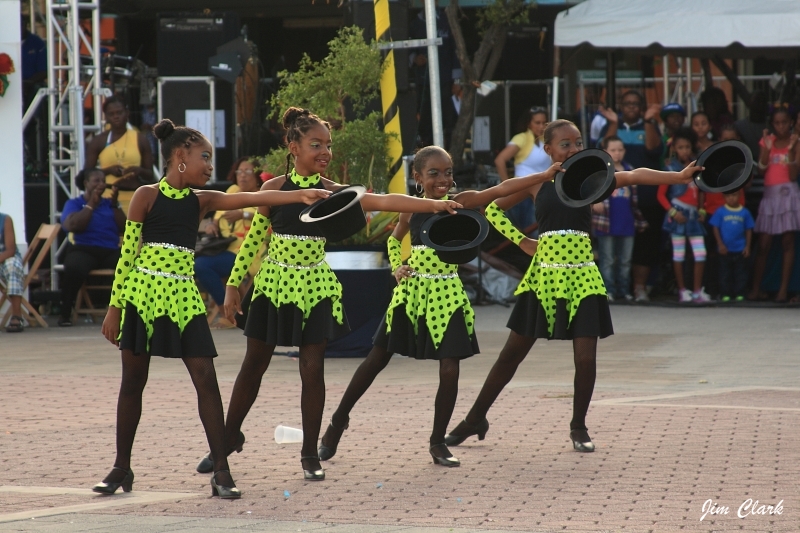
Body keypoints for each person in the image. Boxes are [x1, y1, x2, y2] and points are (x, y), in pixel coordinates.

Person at [194, 108, 461, 482]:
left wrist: (434, 204)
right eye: (315, 144)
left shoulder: (334, 192)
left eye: (328, 145)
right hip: (274, 286)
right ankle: (225, 440)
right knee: (253, 364)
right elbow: (255, 239)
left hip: (315, 287)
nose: (325, 152)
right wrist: (233, 285)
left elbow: (383, 201)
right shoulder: (273, 190)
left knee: (312, 368)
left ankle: (309, 454)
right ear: (293, 146)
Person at [94, 118, 330, 499]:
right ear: (179, 157)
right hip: (141, 298)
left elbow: (250, 200)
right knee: (132, 383)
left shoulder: (202, 200)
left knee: (206, 379)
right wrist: (115, 307)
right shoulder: (145, 196)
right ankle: (122, 467)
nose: (210, 165)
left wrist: (298, 196)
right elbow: (128, 255)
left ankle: (222, 470)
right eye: (204, 157)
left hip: (184, 300)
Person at [444, 119, 703, 453]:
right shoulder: (538, 182)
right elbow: (491, 204)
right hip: (544, 278)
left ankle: (578, 426)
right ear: (547, 148)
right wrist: (520, 240)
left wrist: (678, 176)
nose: (573, 149)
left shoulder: (592, 180)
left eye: (578, 142)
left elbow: (634, 174)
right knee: (511, 355)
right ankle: (475, 418)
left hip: (583, 277)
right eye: (565, 144)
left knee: (586, 356)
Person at [317, 146, 561, 469]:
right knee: (376, 359)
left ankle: (437, 441)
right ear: (417, 178)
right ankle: (337, 421)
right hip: (414, 293)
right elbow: (393, 239)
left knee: (450, 368)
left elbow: (500, 190)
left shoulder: (460, 203)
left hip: (448, 294)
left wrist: (543, 176)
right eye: (434, 174)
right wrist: (396, 267)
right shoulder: (411, 207)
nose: (443, 180)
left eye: (448, 172)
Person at [597, 91, 665, 303]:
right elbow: (602, 148)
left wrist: (648, 121)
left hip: (643, 202)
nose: (631, 107)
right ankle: (610, 289)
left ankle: (636, 288)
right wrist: (613, 123)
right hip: (612, 210)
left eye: (636, 104)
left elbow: (653, 149)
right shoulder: (611, 126)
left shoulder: (648, 125)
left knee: (641, 250)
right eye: (627, 103)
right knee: (609, 255)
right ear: (621, 105)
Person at [195, 157, 264, 322]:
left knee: (202, 266)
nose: (242, 176)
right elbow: (218, 216)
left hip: (247, 252)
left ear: (257, 175)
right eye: (240, 171)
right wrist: (212, 224)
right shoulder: (233, 191)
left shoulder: (263, 195)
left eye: (248, 171)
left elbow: (268, 221)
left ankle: (227, 312)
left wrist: (243, 214)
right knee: (196, 263)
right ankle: (226, 309)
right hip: (224, 247)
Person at [58, 169, 127, 326]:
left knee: (131, 267)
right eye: (96, 180)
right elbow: (72, 225)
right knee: (74, 268)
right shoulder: (74, 203)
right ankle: (65, 314)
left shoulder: (110, 204)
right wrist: (91, 205)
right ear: (86, 183)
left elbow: (125, 227)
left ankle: (130, 313)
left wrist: (115, 204)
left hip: (109, 250)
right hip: (84, 249)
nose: (101, 184)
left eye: (103, 181)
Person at [748, 107, 800, 302]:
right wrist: (767, 149)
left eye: (784, 122)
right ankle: (756, 288)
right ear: (772, 124)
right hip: (770, 196)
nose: (780, 127)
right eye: (776, 123)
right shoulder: (767, 141)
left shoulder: (796, 143)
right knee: (763, 244)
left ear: (791, 123)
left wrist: (792, 149)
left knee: (788, 242)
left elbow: (794, 175)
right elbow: (761, 171)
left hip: (788, 195)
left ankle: (783, 290)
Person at [658, 127, 710, 303]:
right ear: (674, 148)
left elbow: (702, 191)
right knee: (678, 254)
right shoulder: (670, 168)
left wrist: (702, 210)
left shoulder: (696, 167)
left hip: (694, 215)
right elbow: (661, 195)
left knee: (700, 253)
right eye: (680, 147)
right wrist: (672, 212)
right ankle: (682, 290)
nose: (684, 151)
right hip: (678, 214)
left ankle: (696, 291)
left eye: (687, 147)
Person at [592, 136, 647, 301]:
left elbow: (634, 202)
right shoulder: (600, 173)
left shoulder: (629, 170)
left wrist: (640, 221)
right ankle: (608, 291)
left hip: (627, 223)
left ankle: (624, 291)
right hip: (606, 223)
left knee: (625, 261)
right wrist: (595, 202)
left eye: (620, 150)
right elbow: (588, 194)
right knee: (607, 260)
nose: (617, 153)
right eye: (613, 150)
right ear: (605, 152)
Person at [85, 96, 156, 213]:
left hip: (135, 198)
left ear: (127, 113)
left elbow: (150, 174)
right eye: (111, 114)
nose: (116, 116)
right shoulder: (98, 141)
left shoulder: (140, 139)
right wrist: (108, 170)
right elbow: (87, 173)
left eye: (119, 112)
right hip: (107, 197)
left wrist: (139, 170)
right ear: (106, 117)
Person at [494, 107, 550, 234]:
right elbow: (500, 160)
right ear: (529, 123)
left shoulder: (546, 140)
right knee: (532, 233)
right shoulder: (522, 138)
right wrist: (506, 186)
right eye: (537, 123)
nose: (541, 126)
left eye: (544, 123)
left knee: (540, 231)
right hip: (522, 193)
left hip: (541, 193)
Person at [710, 192, 755, 302]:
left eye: (734, 195)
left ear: (739, 196)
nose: (731, 198)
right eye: (728, 196)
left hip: (740, 249)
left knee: (740, 274)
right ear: (724, 197)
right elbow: (715, 227)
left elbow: (748, 230)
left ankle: (740, 293)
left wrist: (747, 247)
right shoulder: (720, 211)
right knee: (724, 274)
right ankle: (725, 294)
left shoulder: (745, 212)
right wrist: (720, 244)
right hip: (725, 250)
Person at [0, 212, 25, 332]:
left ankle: (17, 315)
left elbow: (10, 250)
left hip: (6, 259)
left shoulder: (5, 219)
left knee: (12, 266)